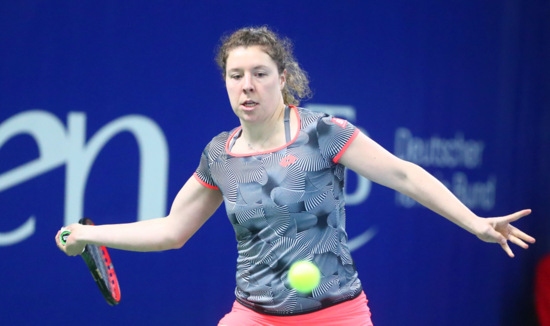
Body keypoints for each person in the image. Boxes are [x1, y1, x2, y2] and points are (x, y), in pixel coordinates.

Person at [55, 26, 536, 326]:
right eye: (236, 75)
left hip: (339, 315)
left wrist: (474, 222)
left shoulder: (323, 133)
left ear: (283, 78)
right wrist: (87, 234)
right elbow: (170, 230)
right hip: (254, 317)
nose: (248, 85)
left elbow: (404, 175)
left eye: (260, 73)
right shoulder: (219, 155)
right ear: (225, 82)